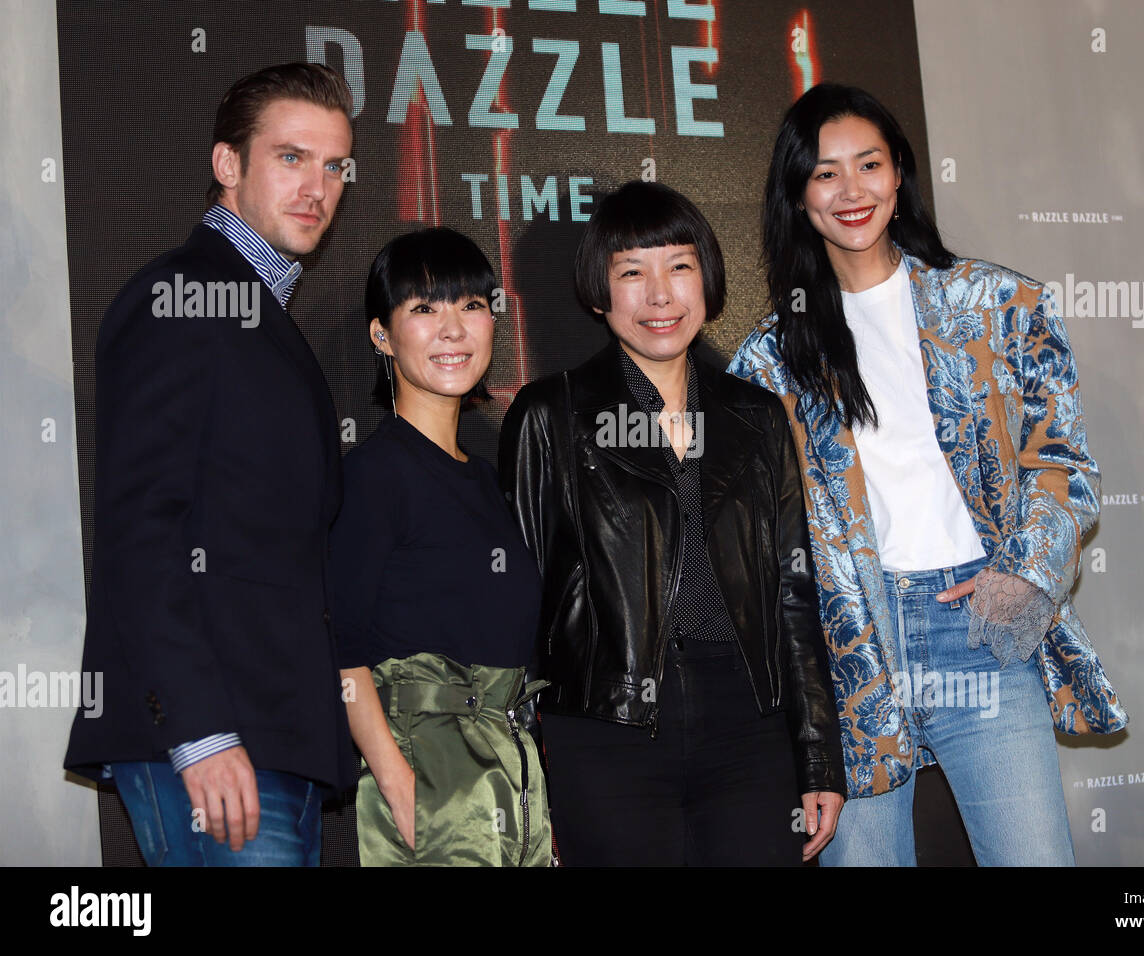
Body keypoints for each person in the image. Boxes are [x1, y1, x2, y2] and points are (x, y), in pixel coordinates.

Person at [728, 83, 1128, 866]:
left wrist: (1021, 577)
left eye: (869, 164)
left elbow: (1062, 460)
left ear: (900, 172)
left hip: (975, 631)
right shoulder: (768, 359)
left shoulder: (999, 304)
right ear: (798, 195)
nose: (852, 191)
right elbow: (764, 537)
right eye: (825, 173)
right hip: (853, 651)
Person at [499, 180, 846, 866]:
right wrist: (524, 770)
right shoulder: (552, 414)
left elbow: (792, 596)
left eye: (679, 266)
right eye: (632, 272)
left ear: (708, 280)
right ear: (598, 292)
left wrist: (817, 756)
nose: (660, 294)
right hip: (605, 730)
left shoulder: (755, 416)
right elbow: (517, 606)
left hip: (750, 727)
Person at [63, 63, 357, 866]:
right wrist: (197, 729)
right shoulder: (184, 295)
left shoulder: (263, 317)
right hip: (217, 735)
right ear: (227, 164)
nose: (317, 187)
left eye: (335, 166)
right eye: (291, 158)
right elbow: (140, 527)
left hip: (274, 735)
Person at [329, 228, 552, 867]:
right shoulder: (373, 475)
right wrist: (395, 775)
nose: (453, 329)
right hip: (428, 774)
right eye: (424, 309)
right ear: (381, 335)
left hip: (511, 773)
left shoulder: (487, 481)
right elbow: (341, 650)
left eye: (471, 305)